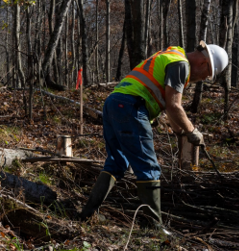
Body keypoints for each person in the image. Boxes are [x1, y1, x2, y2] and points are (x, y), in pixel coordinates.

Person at [79, 41, 229, 225]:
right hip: (131, 107)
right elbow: (175, 106)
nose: (203, 79)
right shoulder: (180, 65)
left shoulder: (172, 54)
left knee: (116, 163)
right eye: (206, 75)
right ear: (204, 63)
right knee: (149, 169)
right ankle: (154, 227)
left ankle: (87, 214)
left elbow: (168, 105)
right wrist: (192, 131)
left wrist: (179, 132)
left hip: (114, 103)